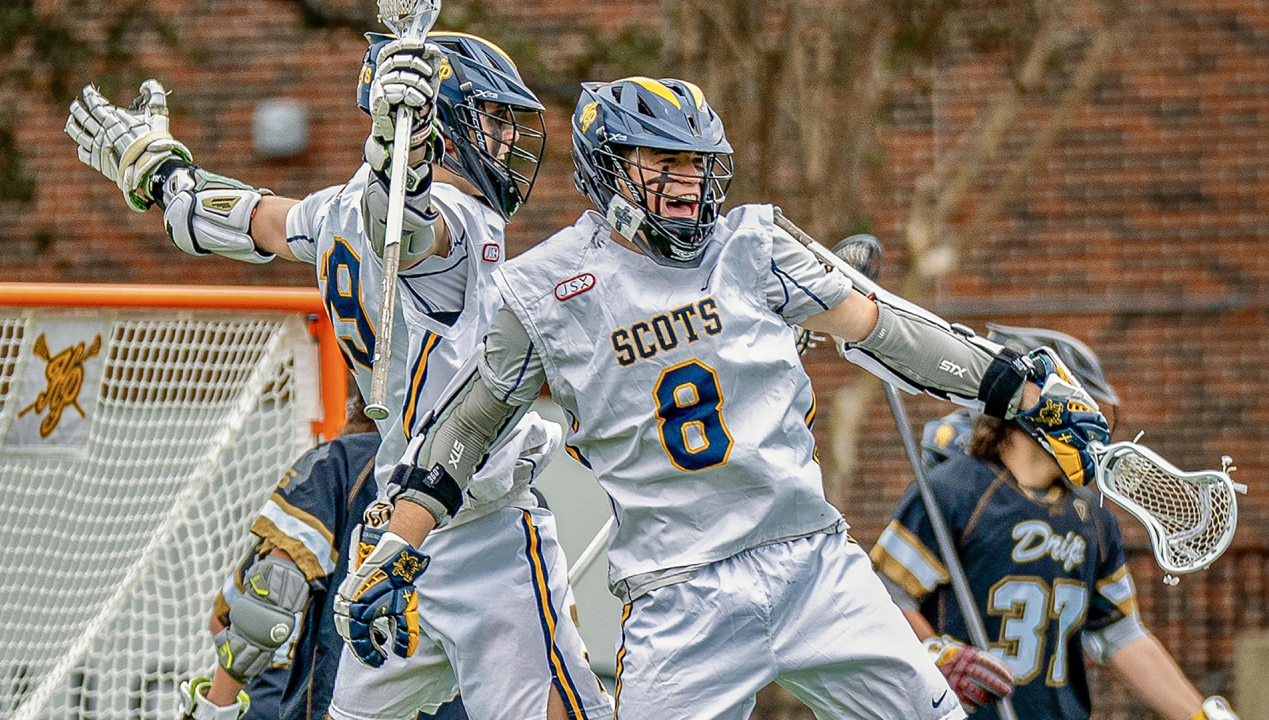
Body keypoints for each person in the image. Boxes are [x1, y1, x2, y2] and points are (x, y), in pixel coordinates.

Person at [341, 76, 1112, 719]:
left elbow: (883, 328)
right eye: (661, 161)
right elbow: (467, 426)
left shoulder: (754, 243)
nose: (686, 183)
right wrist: (399, 543)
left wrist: (1014, 386)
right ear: (607, 163)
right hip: (680, 598)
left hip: (812, 561)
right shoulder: (544, 288)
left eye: (697, 164)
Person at [65, 30, 610, 720]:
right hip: (487, 523)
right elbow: (413, 228)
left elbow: (244, 222)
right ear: (436, 121)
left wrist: (164, 177)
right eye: (490, 120)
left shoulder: (332, 211)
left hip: (393, 529)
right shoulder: (460, 217)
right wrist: (400, 159)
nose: (503, 140)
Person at [872, 325, 1241, 720]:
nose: (1093, 423)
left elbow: (1120, 634)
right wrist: (935, 652)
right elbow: (882, 594)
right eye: (1081, 405)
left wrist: (1202, 715)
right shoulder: (955, 491)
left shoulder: (1092, 519)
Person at [180, 383, 469, 720]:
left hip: (338, 703)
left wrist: (215, 709)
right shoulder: (506, 482)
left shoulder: (344, 462)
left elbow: (265, 605)